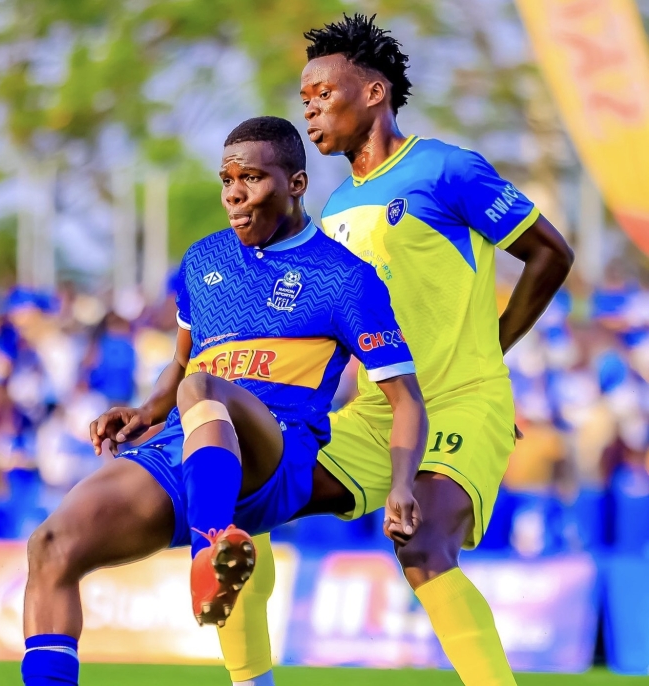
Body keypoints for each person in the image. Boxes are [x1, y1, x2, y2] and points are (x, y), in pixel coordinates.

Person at [216, 15, 574, 686]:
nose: (311, 107)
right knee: (241, 495)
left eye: (323, 91)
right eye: (305, 99)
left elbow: (550, 253)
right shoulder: (332, 213)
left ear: (375, 92)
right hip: (376, 418)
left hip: (462, 404)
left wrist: (492, 349)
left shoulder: (445, 169)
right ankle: (251, 680)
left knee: (421, 543)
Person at [20, 116, 428, 686]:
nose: (234, 194)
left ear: (296, 184)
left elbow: (406, 399)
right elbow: (184, 361)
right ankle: (213, 552)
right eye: (226, 179)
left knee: (204, 389)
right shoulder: (203, 260)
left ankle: (209, 552)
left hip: (275, 453)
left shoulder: (345, 279)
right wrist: (147, 410)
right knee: (50, 546)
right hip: (186, 442)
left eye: (252, 178)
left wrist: (403, 484)